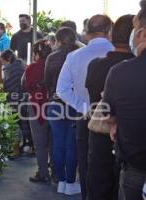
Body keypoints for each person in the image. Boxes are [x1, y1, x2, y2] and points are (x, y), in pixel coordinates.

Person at [56, 15, 114, 200]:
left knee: (86, 165)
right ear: (109, 31)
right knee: (112, 168)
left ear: (87, 34)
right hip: (114, 120)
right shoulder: (121, 53)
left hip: (85, 117)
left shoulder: (74, 56)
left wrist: (83, 107)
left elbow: (61, 89)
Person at [85, 15, 134, 200]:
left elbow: (93, 98)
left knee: (98, 187)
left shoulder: (97, 66)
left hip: (100, 136)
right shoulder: (135, 67)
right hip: (132, 140)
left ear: (111, 35)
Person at [103, 2, 146, 199]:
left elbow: (109, 116)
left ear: (143, 34)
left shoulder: (120, 72)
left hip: (136, 169)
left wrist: (114, 125)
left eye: (135, 28)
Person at [45, 27, 80, 195]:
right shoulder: (79, 55)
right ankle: (71, 183)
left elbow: (47, 82)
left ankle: (60, 181)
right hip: (74, 104)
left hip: (55, 104)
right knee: (71, 146)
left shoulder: (51, 57)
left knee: (58, 145)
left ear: (57, 41)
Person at [22, 40, 52, 183]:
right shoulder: (56, 63)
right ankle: (56, 171)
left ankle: (43, 172)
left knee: (40, 142)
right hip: (54, 104)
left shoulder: (31, 68)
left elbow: (26, 86)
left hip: (36, 105)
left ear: (36, 53)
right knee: (54, 140)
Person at [0, 49, 25, 156]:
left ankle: (16, 150)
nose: (3, 64)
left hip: (13, 99)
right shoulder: (21, 66)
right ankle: (20, 146)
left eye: (3, 61)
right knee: (20, 124)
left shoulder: (11, 69)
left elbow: (8, 86)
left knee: (14, 124)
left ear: (8, 59)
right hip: (22, 99)